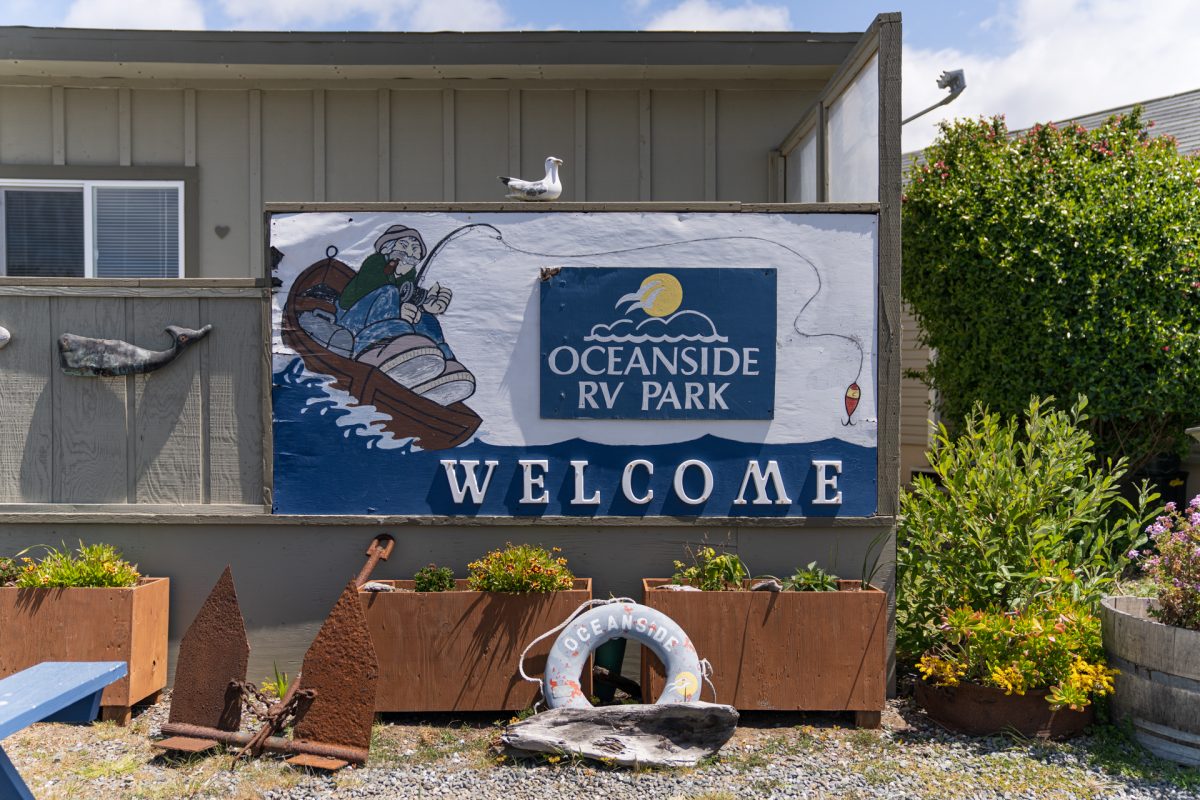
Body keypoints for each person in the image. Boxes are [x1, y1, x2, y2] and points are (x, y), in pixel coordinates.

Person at [335, 225, 475, 406]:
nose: (409, 252)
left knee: (425, 319)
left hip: (389, 328)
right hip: (354, 325)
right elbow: (373, 289)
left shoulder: (408, 279)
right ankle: (375, 350)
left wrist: (427, 305)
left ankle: (443, 362)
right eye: (404, 245)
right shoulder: (375, 263)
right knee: (389, 292)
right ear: (387, 247)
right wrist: (398, 306)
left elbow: (409, 297)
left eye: (415, 250)